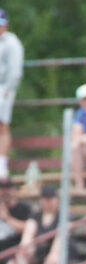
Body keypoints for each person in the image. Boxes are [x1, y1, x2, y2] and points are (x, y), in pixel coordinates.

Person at [0, 8, 23, 181]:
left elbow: (15, 71)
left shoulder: (11, 42)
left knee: (3, 125)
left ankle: (2, 165)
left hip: (3, 89)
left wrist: (6, 91)